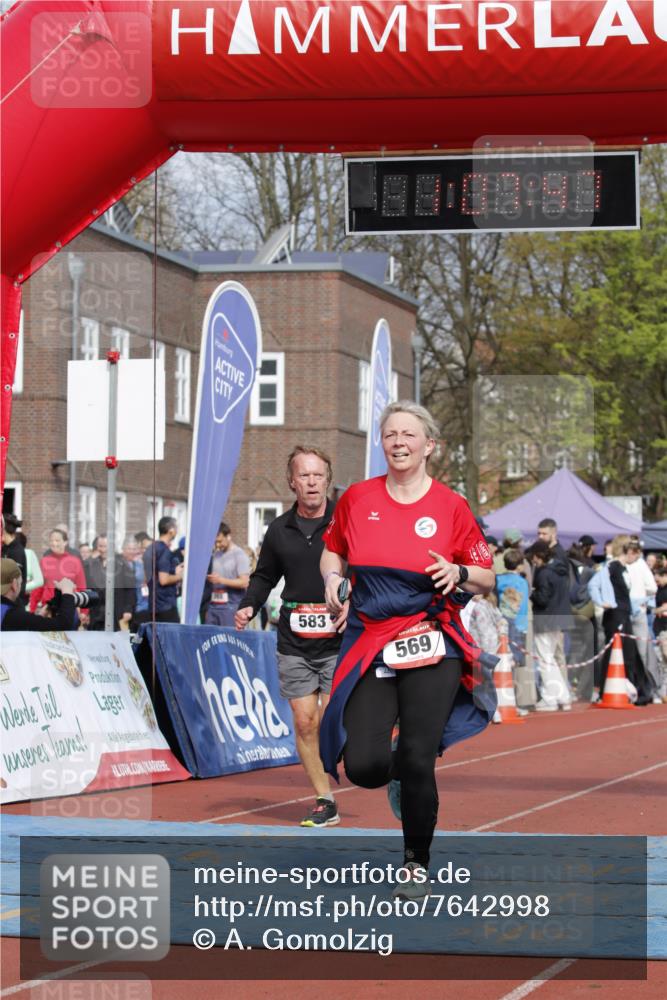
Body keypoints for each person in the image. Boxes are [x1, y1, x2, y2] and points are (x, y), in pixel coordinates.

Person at [319, 402, 496, 897]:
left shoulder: (451, 505)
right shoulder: (357, 498)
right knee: (364, 766)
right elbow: (333, 550)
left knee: (419, 758)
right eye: (390, 434)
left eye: (409, 435)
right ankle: (395, 769)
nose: (398, 442)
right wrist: (332, 579)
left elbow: (487, 576)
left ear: (429, 445)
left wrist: (459, 571)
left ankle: (416, 865)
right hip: (372, 637)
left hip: (431, 636)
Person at [235, 446, 344, 827]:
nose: (312, 482)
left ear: (327, 481)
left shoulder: (344, 522)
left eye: (318, 475)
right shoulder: (279, 529)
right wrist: (249, 605)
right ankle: (325, 799)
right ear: (292, 482)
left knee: (333, 718)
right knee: (304, 721)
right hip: (295, 639)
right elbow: (265, 575)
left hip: (339, 636)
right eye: (304, 475)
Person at [598, 535, 654, 705]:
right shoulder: (613, 567)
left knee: (631, 654)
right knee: (622, 654)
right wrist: (604, 601)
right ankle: (620, 689)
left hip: (626, 613)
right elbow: (596, 585)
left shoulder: (622, 567)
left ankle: (635, 689)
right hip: (618, 616)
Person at [524, 539, 572, 711]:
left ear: (538, 556)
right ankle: (560, 696)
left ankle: (553, 698)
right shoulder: (560, 570)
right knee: (549, 658)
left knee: (545, 659)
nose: (533, 560)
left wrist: (532, 593)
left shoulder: (544, 573)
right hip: (559, 618)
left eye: (534, 557)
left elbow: (543, 598)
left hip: (545, 619)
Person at [1, 558, 77, 631]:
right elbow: (62, 625)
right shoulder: (12, 616)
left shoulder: (8, 615)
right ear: (14, 584)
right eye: (20, 583)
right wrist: (67, 592)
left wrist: (39, 618)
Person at [84, 534, 137, 630]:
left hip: (117, 611)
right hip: (96, 612)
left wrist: (128, 609)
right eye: (100, 546)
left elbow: (130, 589)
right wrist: (86, 611)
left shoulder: (122, 564)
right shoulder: (92, 564)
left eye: (105, 546)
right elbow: (88, 588)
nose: (103, 549)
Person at [205, 523, 250, 627]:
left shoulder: (239, 555)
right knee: (209, 636)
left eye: (220, 541)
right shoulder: (216, 554)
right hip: (213, 606)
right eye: (215, 542)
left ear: (228, 536)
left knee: (229, 637)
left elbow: (245, 582)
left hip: (231, 607)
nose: (217, 545)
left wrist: (220, 580)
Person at [142, 517, 183, 622]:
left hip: (153, 605)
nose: (177, 531)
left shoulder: (150, 549)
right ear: (171, 531)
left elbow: (149, 576)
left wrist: (174, 571)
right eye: (176, 528)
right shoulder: (164, 551)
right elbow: (163, 580)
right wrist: (181, 576)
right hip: (166, 605)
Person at [2, 513, 27, 605]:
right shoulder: (5, 548)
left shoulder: (17, 551)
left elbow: (13, 580)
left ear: (3, 530)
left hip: (13, 603)